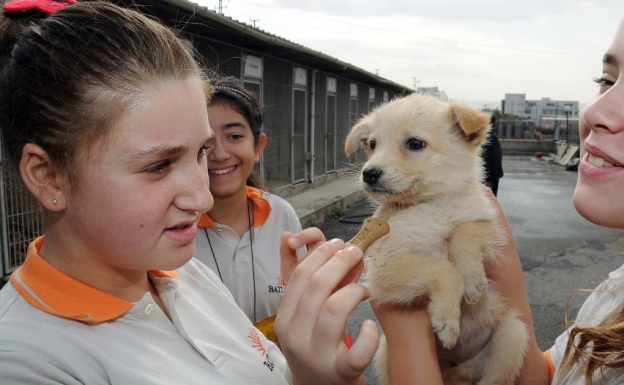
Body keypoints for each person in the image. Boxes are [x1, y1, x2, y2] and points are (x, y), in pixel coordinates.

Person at [0, 1, 378, 384]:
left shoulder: (186, 275)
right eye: (158, 166)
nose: (204, 199)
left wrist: (313, 368)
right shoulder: (27, 362)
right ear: (48, 177)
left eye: (200, 152)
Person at [376, 0, 624, 384]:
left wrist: (402, 323)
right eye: (606, 81)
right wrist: (504, 275)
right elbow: (551, 376)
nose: (596, 112)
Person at [193, 76, 305, 336]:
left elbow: (301, 303)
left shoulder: (282, 215)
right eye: (205, 141)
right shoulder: (172, 227)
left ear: (258, 147)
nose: (219, 154)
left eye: (234, 136)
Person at [481, 114, 504, 196]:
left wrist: (486, 178)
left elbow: (491, 159)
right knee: (492, 199)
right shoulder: (493, 137)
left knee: (489, 201)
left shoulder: (489, 139)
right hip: (494, 175)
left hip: (490, 177)